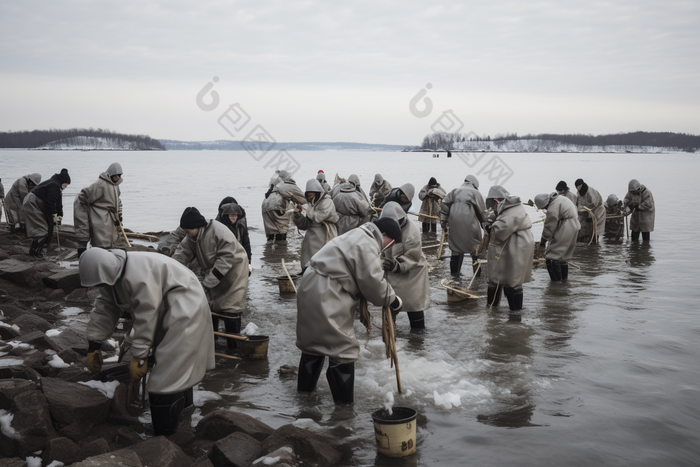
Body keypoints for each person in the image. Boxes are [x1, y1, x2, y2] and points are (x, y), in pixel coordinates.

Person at [79, 247, 215, 436]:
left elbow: (146, 314)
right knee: (174, 367)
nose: (101, 285)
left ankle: (165, 434)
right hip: (166, 307)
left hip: (185, 306)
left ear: (107, 271)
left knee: (170, 371)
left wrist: (140, 356)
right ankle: (184, 415)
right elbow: (105, 308)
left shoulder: (137, 273)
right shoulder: (111, 274)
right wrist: (94, 344)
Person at [296, 218, 403, 404]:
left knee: (312, 345)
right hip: (328, 293)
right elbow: (373, 283)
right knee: (342, 349)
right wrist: (393, 299)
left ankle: (304, 401)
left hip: (310, 286)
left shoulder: (356, 234)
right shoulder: (367, 243)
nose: (389, 247)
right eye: (391, 242)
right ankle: (344, 412)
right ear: (384, 234)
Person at [172, 207, 249, 348]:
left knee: (231, 307)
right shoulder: (191, 237)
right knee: (211, 306)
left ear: (197, 226)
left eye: (188, 231)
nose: (187, 234)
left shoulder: (219, 232)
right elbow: (181, 254)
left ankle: (233, 345)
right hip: (214, 270)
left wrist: (207, 283)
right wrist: (169, 271)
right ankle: (212, 343)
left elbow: (226, 259)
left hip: (234, 271)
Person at [483, 186, 534, 321]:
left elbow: (501, 229)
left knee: (512, 278)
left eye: (493, 205)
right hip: (516, 243)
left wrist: (490, 226)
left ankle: (515, 314)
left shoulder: (512, 210)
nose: (492, 208)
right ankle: (507, 313)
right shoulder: (512, 207)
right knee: (506, 276)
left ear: (496, 200)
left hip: (516, 245)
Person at [380, 202, 429, 329]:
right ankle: (389, 335)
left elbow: (412, 256)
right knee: (390, 304)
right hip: (391, 272)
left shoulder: (412, 232)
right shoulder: (383, 229)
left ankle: (417, 340)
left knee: (414, 305)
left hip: (413, 274)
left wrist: (396, 265)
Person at [73, 163, 124, 256]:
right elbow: (84, 196)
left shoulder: (116, 185)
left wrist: (119, 214)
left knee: (111, 239)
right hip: (100, 216)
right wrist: (92, 210)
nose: (117, 178)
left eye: (119, 176)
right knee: (101, 240)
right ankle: (96, 258)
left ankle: (106, 258)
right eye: (116, 176)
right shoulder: (100, 184)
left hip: (111, 217)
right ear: (111, 174)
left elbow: (118, 201)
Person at [440, 175, 486, 275]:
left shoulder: (454, 191)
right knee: (475, 250)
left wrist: (443, 222)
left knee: (456, 250)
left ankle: (454, 276)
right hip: (470, 226)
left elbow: (444, 205)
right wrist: (486, 227)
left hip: (455, 226)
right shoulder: (476, 193)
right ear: (475, 185)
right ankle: (477, 276)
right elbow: (482, 212)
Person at [23, 169, 70, 258]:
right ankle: (34, 254)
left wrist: (59, 218)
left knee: (45, 228)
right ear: (62, 182)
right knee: (41, 230)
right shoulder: (54, 185)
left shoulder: (57, 186)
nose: (65, 187)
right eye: (65, 185)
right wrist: (52, 219)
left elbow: (59, 205)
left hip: (36, 203)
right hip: (32, 203)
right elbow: (50, 204)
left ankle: (38, 252)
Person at [293, 178, 339, 270]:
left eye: (311, 195)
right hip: (311, 237)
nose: (310, 198)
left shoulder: (327, 202)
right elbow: (305, 224)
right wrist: (297, 214)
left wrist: (307, 210)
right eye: (308, 196)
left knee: (324, 260)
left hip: (326, 233)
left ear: (317, 193)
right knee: (308, 261)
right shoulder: (311, 204)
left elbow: (319, 217)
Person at [534, 192, 580, 282]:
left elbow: (549, 225)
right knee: (563, 257)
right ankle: (564, 281)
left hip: (566, 226)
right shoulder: (561, 199)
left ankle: (556, 283)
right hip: (575, 224)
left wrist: (543, 241)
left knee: (552, 256)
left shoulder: (553, 206)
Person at [261, 170, 306, 242]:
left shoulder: (275, 185)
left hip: (265, 205)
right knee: (281, 230)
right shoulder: (289, 185)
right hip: (277, 205)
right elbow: (304, 198)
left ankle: (270, 249)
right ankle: (281, 249)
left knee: (271, 231)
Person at [575, 178, 606, 244]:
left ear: (582, 184)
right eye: (577, 187)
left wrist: (589, 215)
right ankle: (584, 240)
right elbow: (580, 203)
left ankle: (594, 241)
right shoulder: (578, 192)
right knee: (582, 223)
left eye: (579, 186)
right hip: (586, 211)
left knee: (595, 225)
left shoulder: (590, 192)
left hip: (597, 210)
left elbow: (594, 204)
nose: (578, 187)